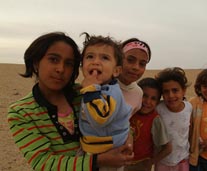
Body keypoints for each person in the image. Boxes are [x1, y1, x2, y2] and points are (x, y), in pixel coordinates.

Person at [7, 32, 133, 171]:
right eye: (53, 59)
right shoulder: (21, 112)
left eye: (69, 63)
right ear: (36, 62)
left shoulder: (85, 94)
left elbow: (118, 117)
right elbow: (42, 163)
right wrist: (97, 161)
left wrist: (128, 139)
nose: (60, 69)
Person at [78, 32, 132, 171]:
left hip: (109, 150)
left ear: (116, 71)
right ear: (82, 66)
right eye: (90, 56)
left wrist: (90, 90)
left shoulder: (111, 92)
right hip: (94, 147)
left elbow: (100, 118)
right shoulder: (97, 89)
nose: (95, 62)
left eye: (105, 58)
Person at [124, 77, 172, 171]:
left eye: (153, 99)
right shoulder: (129, 110)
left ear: (157, 102)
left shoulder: (155, 119)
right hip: (121, 163)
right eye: (144, 96)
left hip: (141, 165)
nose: (148, 102)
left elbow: (168, 148)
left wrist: (152, 161)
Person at [155, 67, 192, 171]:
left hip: (183, 161)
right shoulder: (158, 109)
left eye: (175, 90)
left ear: (183, 91)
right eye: (166, 92)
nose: (171, 95)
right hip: (162, 162)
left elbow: (190, 130)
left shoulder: (189, 107)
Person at [118, 38, 151, 115]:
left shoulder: (138, 93)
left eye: (142, 64)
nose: (136, 67)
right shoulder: (103, 84)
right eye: (130, 60)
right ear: (119, 59)